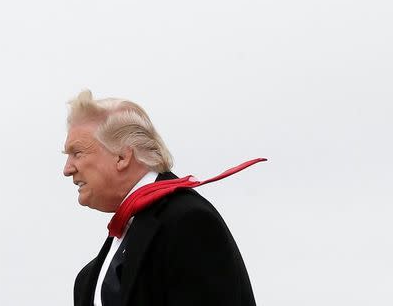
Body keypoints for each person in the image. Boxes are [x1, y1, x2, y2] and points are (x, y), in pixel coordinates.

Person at [63, 90, 259, 306]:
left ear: (122, 156)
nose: (67, 169)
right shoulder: (89, 277)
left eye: (77, 153)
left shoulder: (188, 223)